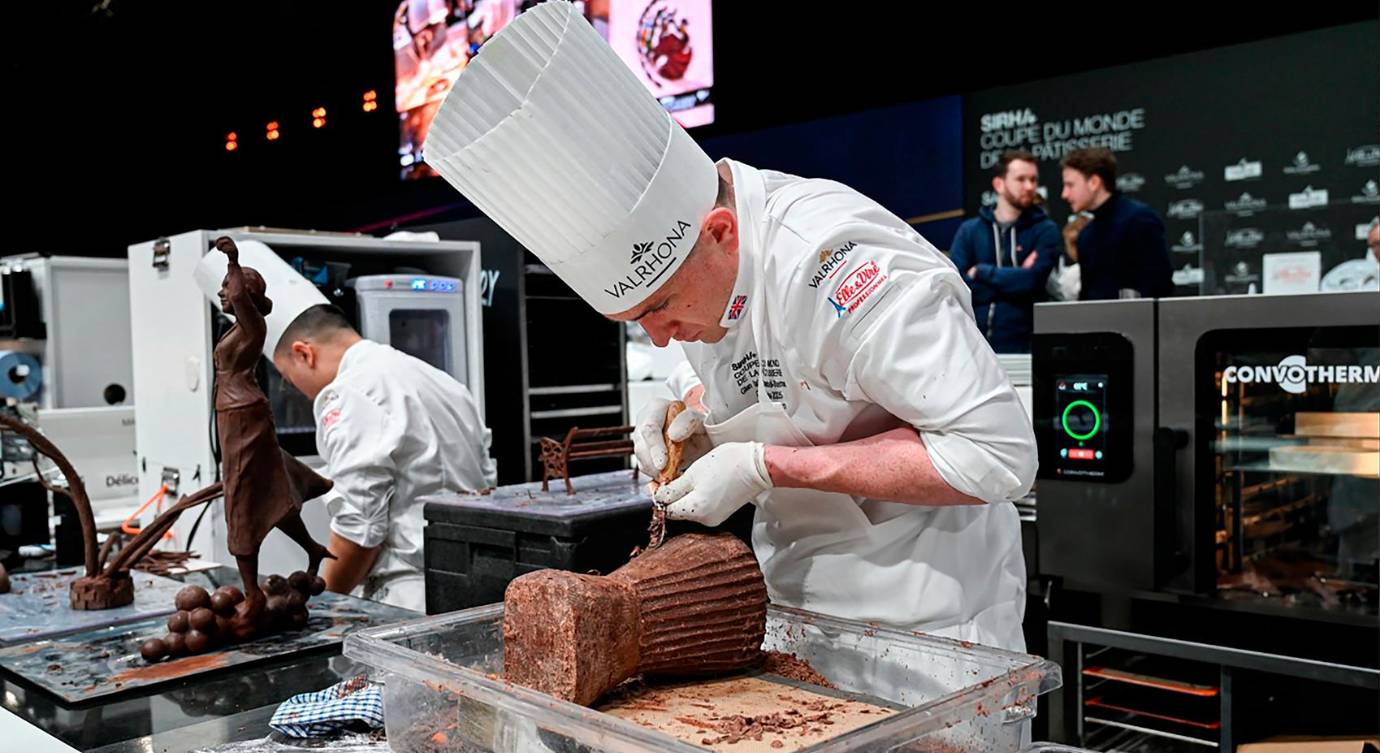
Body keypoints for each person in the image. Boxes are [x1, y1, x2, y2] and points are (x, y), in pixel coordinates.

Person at [423, 2, 1034, 650]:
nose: (658, 337)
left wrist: (763, 466)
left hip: (936, 630)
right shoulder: (705, 279)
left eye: (658, 307)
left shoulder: (840, 267)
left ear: (720, 233)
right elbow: (762, 381)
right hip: (797, 616)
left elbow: (997, 457)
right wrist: (696, 420)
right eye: (632, 321)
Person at [271, 304, 496, 611]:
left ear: (304, 354)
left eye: (287, 377)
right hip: (477, 585)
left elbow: (359, 531)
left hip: (408, 600)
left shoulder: (351, 392)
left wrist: (322, 607)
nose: (299, 392)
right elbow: (488, 479)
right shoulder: (438, 379)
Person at [211, 237, 334, 637]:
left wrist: (232, 259)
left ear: (243, 294)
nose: (221, 294)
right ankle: (312, 548)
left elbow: (242, 301)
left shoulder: (253, 324)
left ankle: (252, 595)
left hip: (242, 417)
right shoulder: (238, 330)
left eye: (226, 288)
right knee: (266, 489)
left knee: (241, 498)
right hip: (237, 415)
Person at [949, 150, 1061, 352]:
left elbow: (1033, 282)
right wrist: (1016, 281)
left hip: (1027, 349)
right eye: (1021, 179)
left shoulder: (1045, 229)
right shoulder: (969, 231)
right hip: (975, 348)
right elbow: (958, 288)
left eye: (1033, 179)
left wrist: (983, 272)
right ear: (999, 184)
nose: (1030, 187)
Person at [1059, 147, 1172, 299]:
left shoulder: (1139, 220)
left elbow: (1159, 286)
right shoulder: (1086, 235)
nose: (1064, 194)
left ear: (1094, 182)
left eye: (1070, 185)